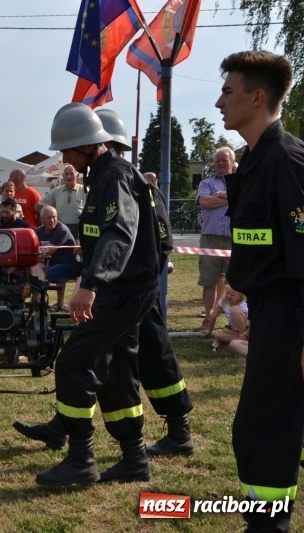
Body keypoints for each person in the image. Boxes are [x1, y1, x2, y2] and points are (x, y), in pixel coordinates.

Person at [16, 107, 194, 461]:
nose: (64, 158)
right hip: (117, 285)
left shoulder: (118, 178)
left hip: (128, 288)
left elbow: (137, 236)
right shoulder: (100, 178)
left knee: (149, 358)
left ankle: (175, 432)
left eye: (69, 149)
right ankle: (123, 450)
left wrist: (99, 280)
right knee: (116, 366)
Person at [216, 50, 304, 532]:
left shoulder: (288, 162)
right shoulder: (253, 163)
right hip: (271, 313)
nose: (219, 101)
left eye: (228, 91)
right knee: (273, 424)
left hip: (291, 316)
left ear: (257, 96)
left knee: (264, 427)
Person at [197, 146, 235, 327]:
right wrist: (233, 197)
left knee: (235, 282)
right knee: (209, 280)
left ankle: (234, 320)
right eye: (217, 161)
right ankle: (208, 319)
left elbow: (245, 197)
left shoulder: (241, 181)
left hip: (234, 238)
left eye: (224, 160)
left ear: (232, 162)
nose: (220, 163)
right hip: (210, 237)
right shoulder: (206, 183)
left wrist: (220, 196)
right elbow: (205, 202)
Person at [30, 206, 78, 311]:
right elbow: (33, 251)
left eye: (54, 217)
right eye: (48, 218)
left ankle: (59, 303)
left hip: (68, 264)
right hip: (49, 263)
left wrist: (38, 255)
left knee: (53, 272)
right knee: (34, 266)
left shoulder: (62, 230)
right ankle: (40, 299)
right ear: (41, 219)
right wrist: (36, 256)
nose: (52, 220)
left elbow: (48, 250)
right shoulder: (37, 232)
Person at [38, 164, 87, 239]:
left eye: (71, 173)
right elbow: (38, 206)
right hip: (60, 229)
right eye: (66, 174)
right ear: (63, 176)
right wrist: (48, 219)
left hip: (80, 230)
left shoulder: (85, 191)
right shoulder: (56, 191)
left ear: (77, 176)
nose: (69, 176)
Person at [203, 285, 248, 350]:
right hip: (235, 331)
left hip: (245, 331)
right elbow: (213, 315)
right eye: (227, 293)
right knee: (217, 335)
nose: (228, 296)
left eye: (232, 294)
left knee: (234, 309)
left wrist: (246, 333)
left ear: (239, 298)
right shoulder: (223, 301)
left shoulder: (243, 305)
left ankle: (244, 338)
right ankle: (240, 340)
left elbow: (250, 319)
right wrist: (209, 330)